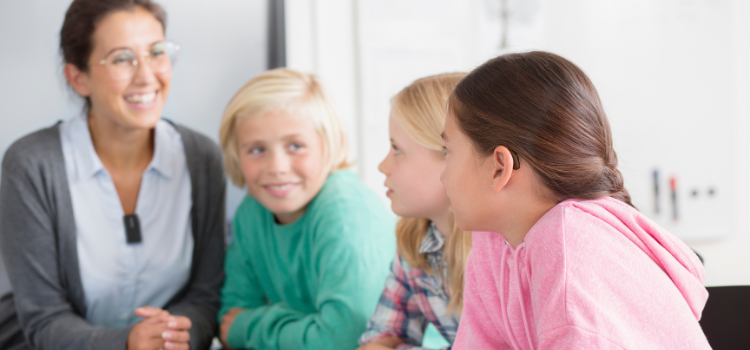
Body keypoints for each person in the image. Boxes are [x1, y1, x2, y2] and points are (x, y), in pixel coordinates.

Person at [441, 51, 711, 349]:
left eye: (448, 152)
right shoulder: (493, 238)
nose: (443, 177)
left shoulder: (567, 239)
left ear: (500, 168)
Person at [0, 1, 225, 349]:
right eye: (122, 58)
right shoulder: (32, 164)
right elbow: (44, 319)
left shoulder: (202, 158)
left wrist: (172, 337)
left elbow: (205, 296)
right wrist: (127, 343)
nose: (147, 75)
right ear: (78, 78)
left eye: (156, 52)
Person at [217, 68, 396, 350]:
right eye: (256, 150)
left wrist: (251, 326)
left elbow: (345, 339)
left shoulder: (346, 213)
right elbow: (228, 318)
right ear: (236, 155)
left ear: (327, 145)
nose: (276, 167)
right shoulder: (252, 211)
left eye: (296, 146)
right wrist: (311, 326)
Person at [358, 73, 471, 350]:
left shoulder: (501, 253)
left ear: (450, 156)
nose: (382, 165)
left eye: (397, 149)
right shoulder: (415, 242)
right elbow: (377, 340)